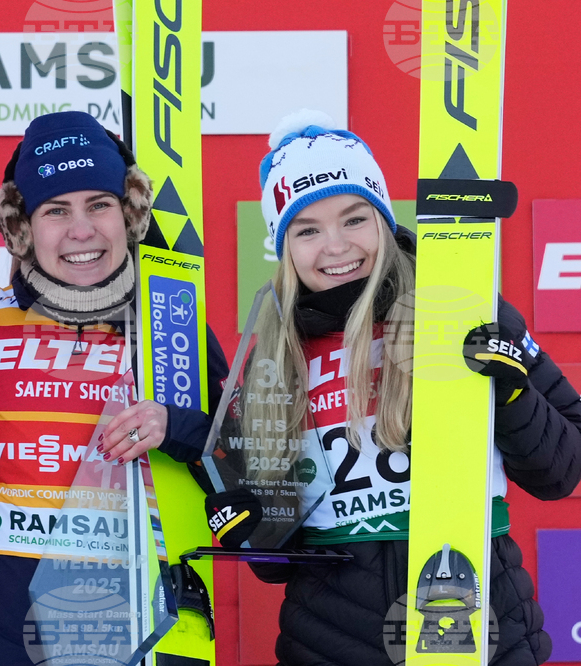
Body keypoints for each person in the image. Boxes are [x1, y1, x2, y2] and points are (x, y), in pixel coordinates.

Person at [204, 110, 581, 666]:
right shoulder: (271, 359)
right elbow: (271, 556)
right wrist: (248, 525)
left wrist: (511, 392)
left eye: (354, 219)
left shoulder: (460, 312)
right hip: (331, 643)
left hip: (481, 628)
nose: (335, 246)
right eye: (307, 229)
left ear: (383, 218)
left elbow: (562, 469)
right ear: (284, 248)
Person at [0, 110, 229, 665]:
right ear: (22, 228)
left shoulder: (173, 323)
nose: (82, 229)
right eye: (55, 210)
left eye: (99, 204)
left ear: (130, 214)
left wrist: (177, 427)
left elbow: (247, 463)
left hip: (146, 624)